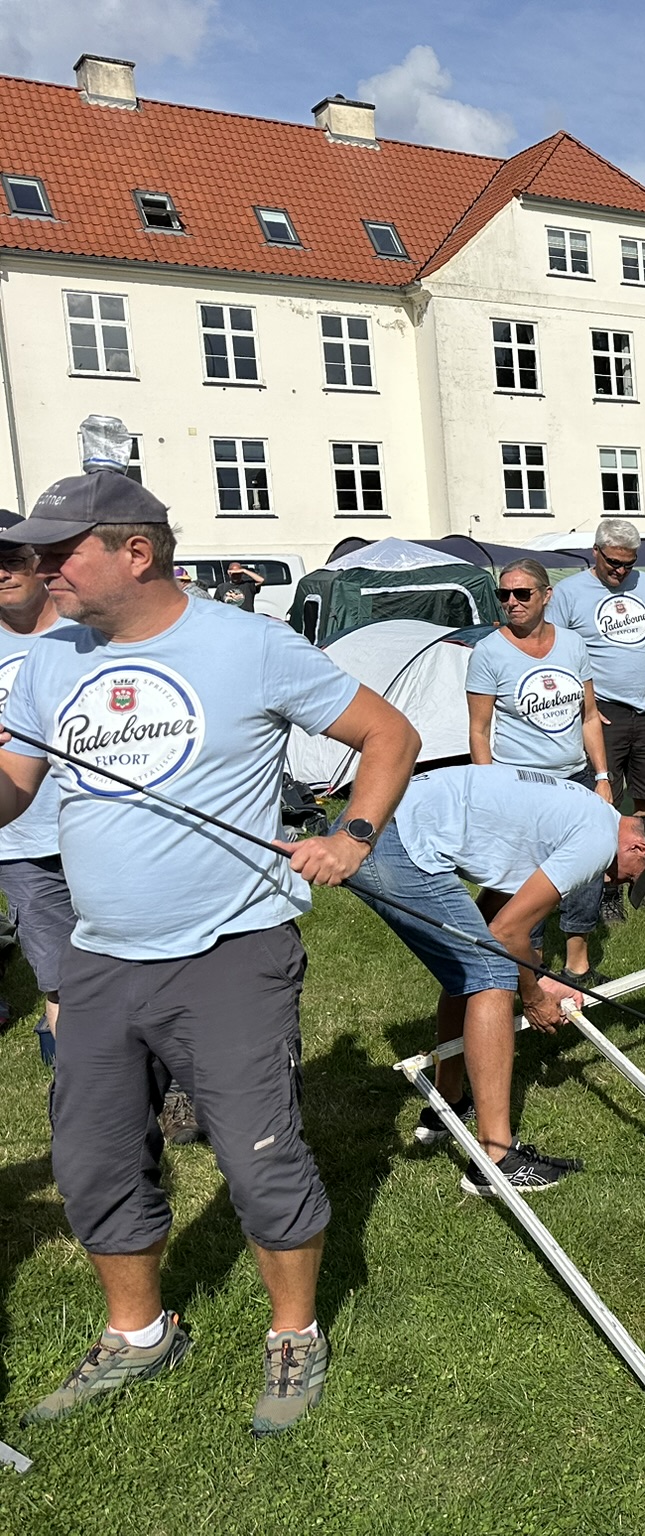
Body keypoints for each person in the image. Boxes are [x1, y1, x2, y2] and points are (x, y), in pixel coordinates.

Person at [0, 470, 419, 1436]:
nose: (42, 567)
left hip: (231, 950)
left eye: (61, 551)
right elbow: (14, 790)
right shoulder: (51, 660)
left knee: (258, 1158)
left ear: (136, 551)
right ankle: (138, 1334)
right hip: (99, 957)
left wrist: (352, 836)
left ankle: (293, 1333)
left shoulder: (250, 646)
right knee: (93, 1158)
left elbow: (388, 733)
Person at [348, 764, 645, 1189]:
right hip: (390, 837)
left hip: (376, 812)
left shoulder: (578, 815)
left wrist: (536, 977)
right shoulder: (597, 840)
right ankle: (496, 1160)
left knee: (473, 964)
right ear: (639, 848)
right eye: (631, 876)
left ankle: (448, 1105)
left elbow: (494, 917)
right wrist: (534, 997)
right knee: (491, 974)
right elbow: (506, 934)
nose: (615, 880)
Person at [466, 559, 611, 986]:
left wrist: (602, 776)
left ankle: (578, 965)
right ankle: (531, 968)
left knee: (587, 868)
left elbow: (589, 716)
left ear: (547, 595)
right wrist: (489, 788)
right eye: (504, 594)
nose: (512, 602)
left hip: (575, 777)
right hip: (520, 785)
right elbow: (478, 730)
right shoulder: (489, 652)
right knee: (526, 879)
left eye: (522, 593)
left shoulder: (573, 645)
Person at [551, 520, 645, 914]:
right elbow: (556, 656)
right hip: (603, 714)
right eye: (614, 562)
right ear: (595, 552)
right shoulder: (569, 593)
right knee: (604, 807)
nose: (621, 571)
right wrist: (586, 708)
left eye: (629, 564)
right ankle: (607, 895)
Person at [0, 535, 70, 1069]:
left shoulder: (87, 632)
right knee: (60, 975)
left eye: (11, 561)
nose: (2, 574)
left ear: (39, 565)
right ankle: (80, 1081)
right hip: (20, 843)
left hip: (105, 826)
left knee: (146, 962)